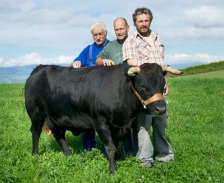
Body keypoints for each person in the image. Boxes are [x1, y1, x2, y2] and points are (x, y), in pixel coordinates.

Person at [123, 7, 174, 168]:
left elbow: (160, 64)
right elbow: (132, 64)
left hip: (157, 86)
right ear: (135, 23)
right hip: (144, 89)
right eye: (140, 21)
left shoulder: (157, 38)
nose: (143, 24)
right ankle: (145, 158)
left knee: (160, 121)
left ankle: (164, 154)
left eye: (146, 20)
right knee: (144, 123)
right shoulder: (131, 41)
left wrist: (164, 82)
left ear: (150, 21)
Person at [96, 17, 138, 158]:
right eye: (117, 29)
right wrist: (103, 60)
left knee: (135, 122)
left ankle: (137, 152)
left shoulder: (135, 42)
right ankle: (123, 152)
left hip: (134, 90)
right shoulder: (111, 46)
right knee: (120, 122)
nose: (119, 32)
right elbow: (97, 60)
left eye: (121, 29)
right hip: (115, 93)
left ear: (128, 28)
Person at [72, 22, 110, 151]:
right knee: (87, 121)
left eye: (100, 34)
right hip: (89, 94)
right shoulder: (88, 50)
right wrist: (76, 62)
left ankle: (108, 149)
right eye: (95, 35)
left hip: (107, 93)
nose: (98, 37)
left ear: (106, 34)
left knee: (107, 123)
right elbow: (75, 62)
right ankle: (88, 149)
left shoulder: (112, 47)